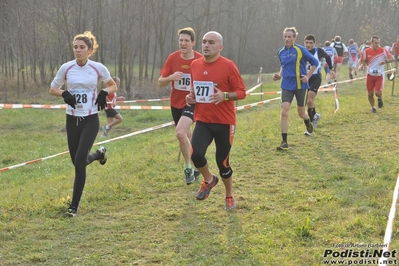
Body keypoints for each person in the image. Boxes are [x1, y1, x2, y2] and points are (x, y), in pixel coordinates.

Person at [49, 31, 117, 217]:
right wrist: (64, 93)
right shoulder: (66, 68)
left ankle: (73, 207)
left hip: (90, 119)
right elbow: (53, 88)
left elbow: (113, 85)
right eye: (75, 47)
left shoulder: (97, 68)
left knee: (79, 162)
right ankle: (98, 154)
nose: (77, 50)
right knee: (77, 161)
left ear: (90, 50)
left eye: (81, 47)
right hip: (72, 120)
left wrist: (104, 91)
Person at [185, 31, 246, 210]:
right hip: (203, 119)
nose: (206, 45)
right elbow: (194, 91)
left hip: (224, 122)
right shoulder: (195, 65)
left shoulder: (228, 66)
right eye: (204, 42)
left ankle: (229, 196)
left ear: (220, 47)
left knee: (223, 162)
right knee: (195, 154)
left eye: (211, 42)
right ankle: (209, 180)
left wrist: (225, 95)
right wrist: (191, 98)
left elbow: (242, 92)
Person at [158, 27, 203, 185]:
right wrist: (171, 77)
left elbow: (208, 80)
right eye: (181, 40)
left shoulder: (199, 59)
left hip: (191, 102)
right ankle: (196, 164)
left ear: (193, 43)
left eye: (186, 41)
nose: (183, 43)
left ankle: (187, 167)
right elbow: (160, 81)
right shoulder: (173, 58)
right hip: (175, 103)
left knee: (179, 133)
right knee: (186, 135)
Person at [273, 27, 319, 150]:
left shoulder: (300, 50)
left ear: (294, 38)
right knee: (284, 111)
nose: (287, 39)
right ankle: (284, 141)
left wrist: (308, 77)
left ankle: (307, 121)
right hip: (286, 85)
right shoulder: (280, 51)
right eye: (285, 36)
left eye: (289, 37)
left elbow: (315, 62)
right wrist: (279, 75)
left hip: (300, 85)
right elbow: (283, 65)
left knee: (301, 112)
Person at [304, 34, 335, 130]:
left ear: (314, 43)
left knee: (309, 100)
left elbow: (328, 57)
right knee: (308, 103)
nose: (308, 45)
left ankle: (312, 123)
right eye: (306, 43)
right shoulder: (302, 51)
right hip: (305, 79)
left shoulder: (318, 51)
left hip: (316, 78)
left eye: (310, 43)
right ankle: (315, 116)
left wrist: (331, 69)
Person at [358, 35, 394, 113]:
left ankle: (380, 98)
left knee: (377, 93)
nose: (377, 44)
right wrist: (361, 65)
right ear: (371, 43)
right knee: (370, 93)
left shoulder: (383, 50)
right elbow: (361, 60)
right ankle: (373, 107)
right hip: (370, 75)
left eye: (378, 43)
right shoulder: (366, 51)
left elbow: (392, 58)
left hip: (379, 75)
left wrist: (385, 62)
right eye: (375, 43)